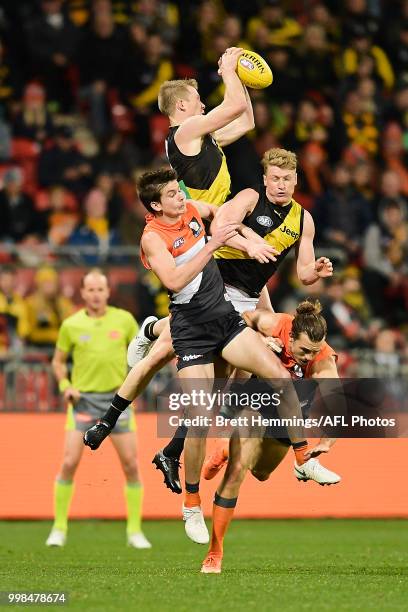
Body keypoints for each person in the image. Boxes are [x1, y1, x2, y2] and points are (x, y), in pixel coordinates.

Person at [85, 169, 337, 546]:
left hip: (224, 317)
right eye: (172, 194)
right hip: (191, 330)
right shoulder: (153, 238)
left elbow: (223, 216)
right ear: (156, 205)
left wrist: (249, 240)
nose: (180, 197)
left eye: (178, 191)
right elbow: (173, 281)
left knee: (279, 377)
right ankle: (189, 504)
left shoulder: (189, 209)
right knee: (196, 412)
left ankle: (304, 459)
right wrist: (212, 243)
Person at [200, 300, 341, 574]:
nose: (309, 357)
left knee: (262, 473)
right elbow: (240, 321)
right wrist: (259, 341)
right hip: (256, 395)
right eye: (304, 350)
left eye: (315, 351)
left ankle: (225, 450)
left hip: (289, 414)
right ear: (290, 337)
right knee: (238, 470)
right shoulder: (274, 324)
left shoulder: (323, 360)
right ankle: (214, 553)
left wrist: (326, 442)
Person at [46, 269, 151, 549]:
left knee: (130, 465)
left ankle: (134, 531)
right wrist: (65, 385)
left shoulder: (125, 320)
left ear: (108, 292)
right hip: (83, 402)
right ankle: (59, 528)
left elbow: (143, 356)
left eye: (100, 289)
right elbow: (58, 362)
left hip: (117, 402)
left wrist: (135, 387)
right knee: (69, 463)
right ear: (82, 293)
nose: (95, 294)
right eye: (90, 290)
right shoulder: (71, 325)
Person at [159, 46, 255, 206]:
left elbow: (246, 122)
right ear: (181, 104)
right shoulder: (185, 130)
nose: (203, 105)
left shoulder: (195, 138)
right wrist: (227, 70)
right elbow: (237, 105)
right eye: (197, 99)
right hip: (206, 221)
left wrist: (238, 77)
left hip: (214, 217)